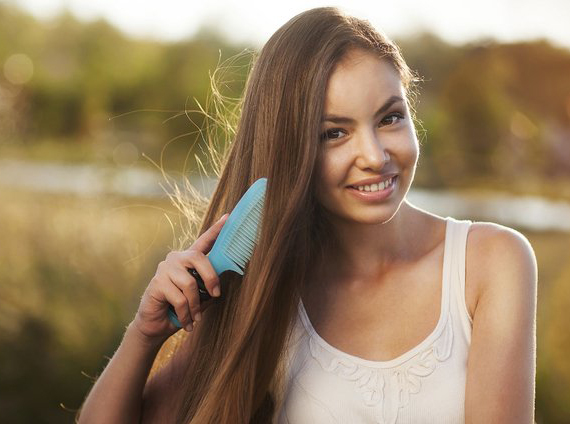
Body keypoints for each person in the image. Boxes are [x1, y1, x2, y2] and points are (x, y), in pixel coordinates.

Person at [78, 7, 537, 424]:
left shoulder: (492, 264)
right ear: (289, 151)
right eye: (334, 133)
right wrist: (144, 336)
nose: (375, 156)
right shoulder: (263, 288)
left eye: (390, 118)